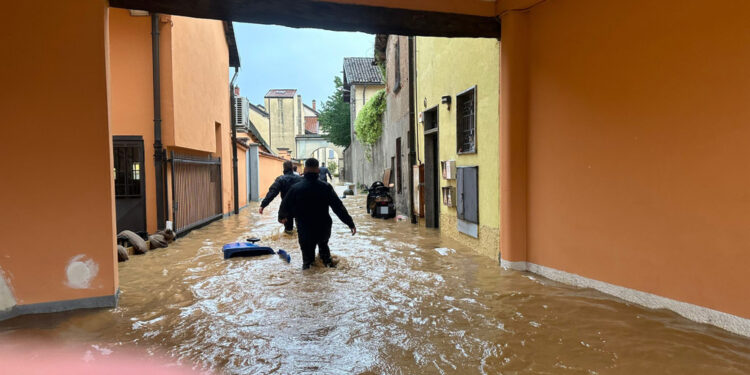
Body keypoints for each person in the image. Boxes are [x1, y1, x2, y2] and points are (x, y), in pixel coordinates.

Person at [279, 158, 356, 269]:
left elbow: (284, 205)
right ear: (318, 170)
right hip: (323, 228)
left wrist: (281, 217)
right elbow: (338, 207)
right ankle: (327, 274)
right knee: (325, 257)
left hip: (305, 229)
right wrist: (350, 223)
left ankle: (309, 284)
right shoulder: (326, 187)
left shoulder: (295, 188)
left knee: (308, 263)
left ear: (304, 170)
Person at [259, 160, 302, 233]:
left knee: (288, 231)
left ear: (284, 168)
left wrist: (263, 205)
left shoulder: (281, 179)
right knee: (301, 230)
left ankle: (288, 242)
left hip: (286, 207)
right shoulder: (300, 179)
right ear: (292, 168)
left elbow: (272, 193)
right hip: (299, 207)